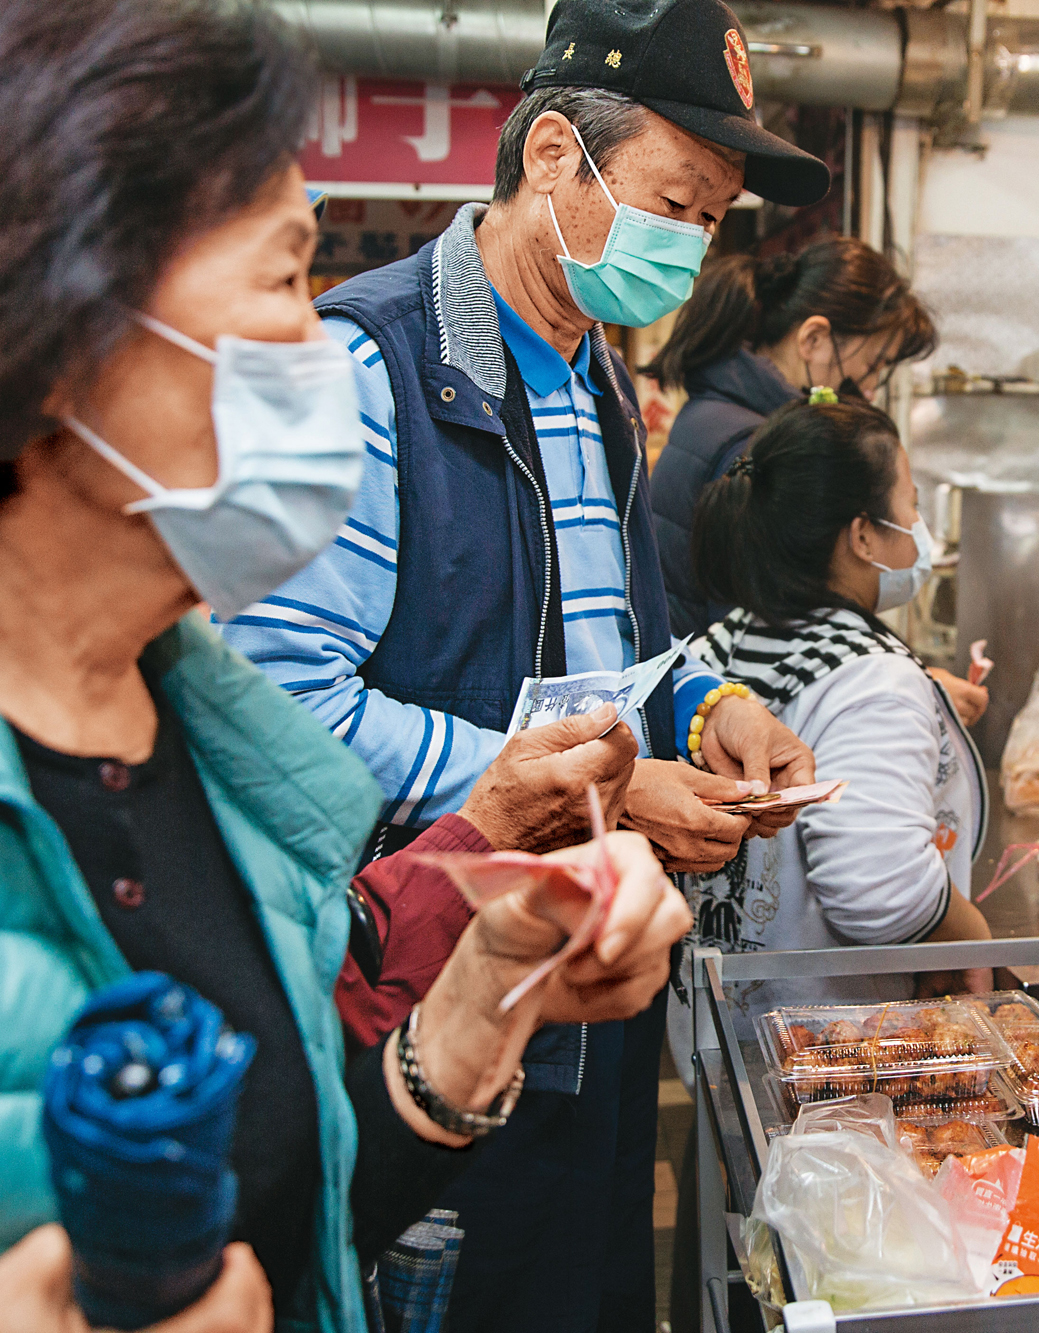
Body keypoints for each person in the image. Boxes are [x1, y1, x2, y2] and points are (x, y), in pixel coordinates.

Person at [0, 4, 690, 1331]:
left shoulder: (209, 741)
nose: (321, 350)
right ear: (57, 325)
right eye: (278, 281)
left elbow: (302, 1206)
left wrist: (479, 1001)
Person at [216, 0, 823, 1326]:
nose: (692, 244)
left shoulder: (594, 374)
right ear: (554, 154)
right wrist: (583, 793)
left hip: (589, 986)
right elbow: (282, 712)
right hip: (426, 991)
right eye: (677, 201)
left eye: (714, 219)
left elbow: (614, 643)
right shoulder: (366, 369)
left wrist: (706, 706)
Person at [673, 395, 993, 1333]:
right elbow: (877, 886)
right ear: (862, 533)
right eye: (910, 505)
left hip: (730, 1044)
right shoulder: (871, 676)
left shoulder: (718, 650)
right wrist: (981, 948)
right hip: (846, 1078)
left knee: (742, 1282)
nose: (919, 532)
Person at [644, 238, 987, 726]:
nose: (867, 389)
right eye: (871, 366)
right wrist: (908, 684)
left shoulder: (717, 411)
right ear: (813, 340)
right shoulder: (757, 444)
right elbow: (771, 633)